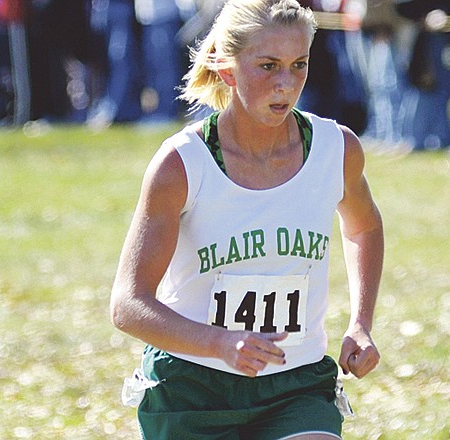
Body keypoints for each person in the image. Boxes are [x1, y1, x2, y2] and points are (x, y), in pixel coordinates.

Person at [110, 0, 384, 438]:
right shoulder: (181, 164)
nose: (286, 83)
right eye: (268, 66)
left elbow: (364, 225)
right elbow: (128, 305)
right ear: (227, 69)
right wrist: (220, 343)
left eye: (299, 65)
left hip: (296, 383)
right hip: (190, 388)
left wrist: (361, 323)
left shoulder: (337, 149)